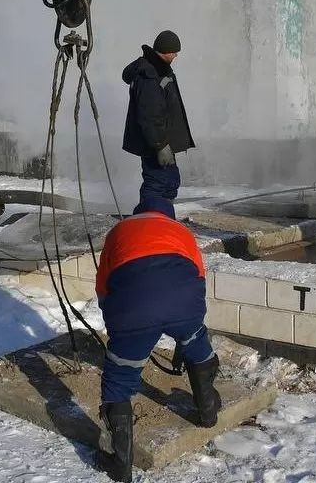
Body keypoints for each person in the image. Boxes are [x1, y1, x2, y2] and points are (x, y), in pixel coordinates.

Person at [94, 196, 220, 483]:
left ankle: (120, 464)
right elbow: (199, 276)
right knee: (197, 346)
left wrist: (120, 325)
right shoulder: (182, 231)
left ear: (141, 213)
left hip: (132, 311)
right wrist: (188, 320)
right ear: (167, 215)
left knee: (119, 378)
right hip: (185, 305)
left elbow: (103, 286)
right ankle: (208, 412)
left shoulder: (118, 232)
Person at [121, 30, 195, 207]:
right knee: (158, 183)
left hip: (161, 142)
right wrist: (160, 146)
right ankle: (151, 223)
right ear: (166, 50)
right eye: (175, 51)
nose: (177, 55)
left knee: (168, 182)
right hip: (155, 145)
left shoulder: (159, 69)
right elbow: (150, 115)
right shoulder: (150, 75)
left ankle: (159, 221)